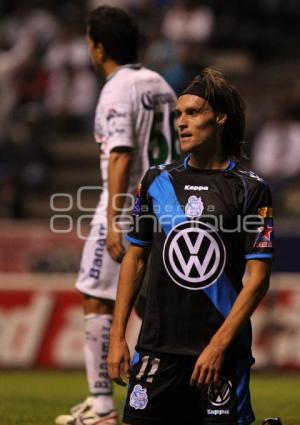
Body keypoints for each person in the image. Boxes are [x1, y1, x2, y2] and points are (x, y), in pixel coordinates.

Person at [108, 67, 274, 425]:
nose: (181, 122)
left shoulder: (250, 188)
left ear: (220, 118)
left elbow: (259, 277)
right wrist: (117, 335)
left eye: (192, 113)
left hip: (220, 356)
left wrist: (218, 345)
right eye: (178, 115)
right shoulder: (155, 181)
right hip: (157, 351)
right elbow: (135, 258)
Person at [54, 5, 178, 425]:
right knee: (148, 302)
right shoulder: (160, 83)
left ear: (98, 47)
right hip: (166, 203)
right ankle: (166, 390)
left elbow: (121, 153)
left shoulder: (116, 88)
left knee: (96, 294)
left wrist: (113, 216)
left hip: (127, 205)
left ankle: (101, 405)